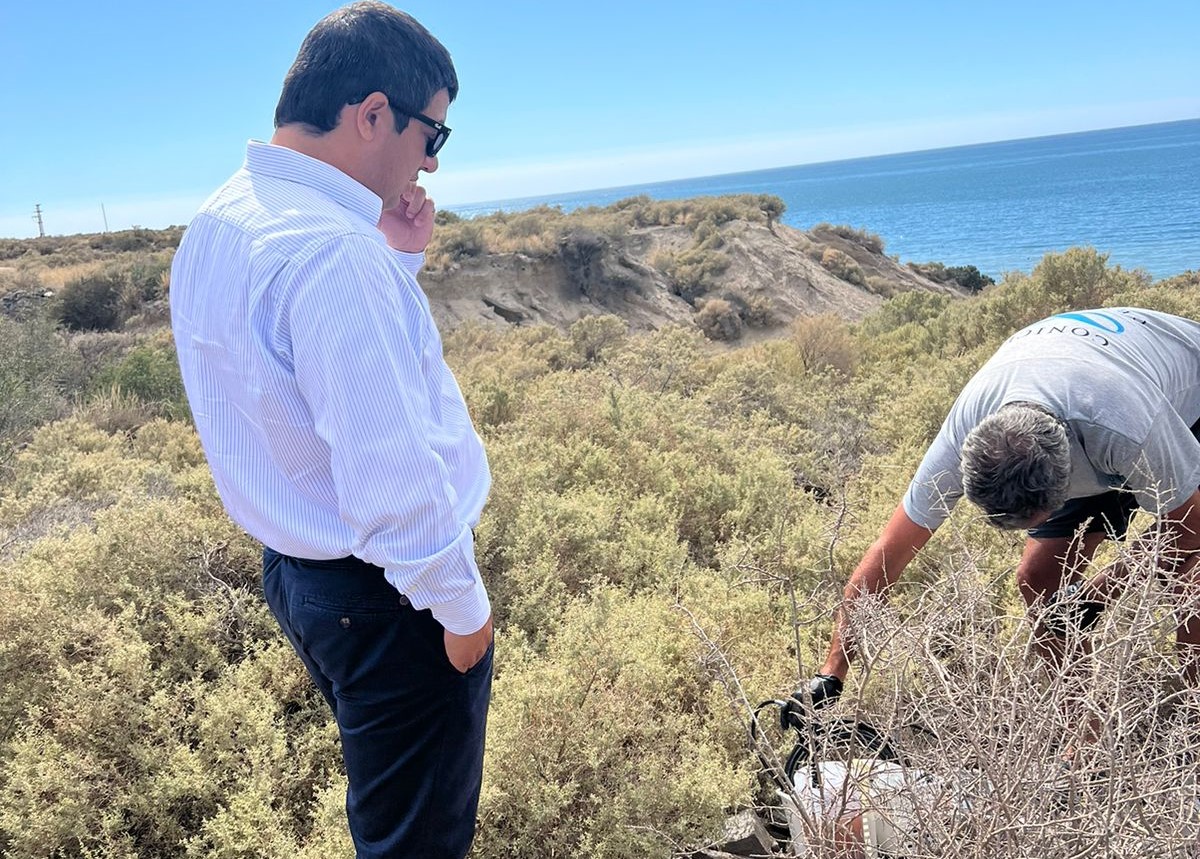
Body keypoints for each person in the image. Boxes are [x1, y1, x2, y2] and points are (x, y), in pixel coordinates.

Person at [169, 4, 492, 857]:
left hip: (304, 575)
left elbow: (293, 383)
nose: (431, 159)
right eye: (432, 133)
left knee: (390, 814)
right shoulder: (331, 253)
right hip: (391, 600)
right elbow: (390, 472)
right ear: (374, 114)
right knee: (417, 841)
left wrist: (398, 257)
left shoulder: (223, 217)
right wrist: (465, 613)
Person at [794, 307, 1200, 713]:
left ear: (1066, 483)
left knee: (1188, 573)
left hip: (1184, 396)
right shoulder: (963, 438)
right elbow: (890, 551)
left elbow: (1192, 524)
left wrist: (1099, 592)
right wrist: (832, 672)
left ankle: (1190, 712)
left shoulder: (1125, 426)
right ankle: (1086, 731)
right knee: (1040, 582)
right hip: (1079, 398)